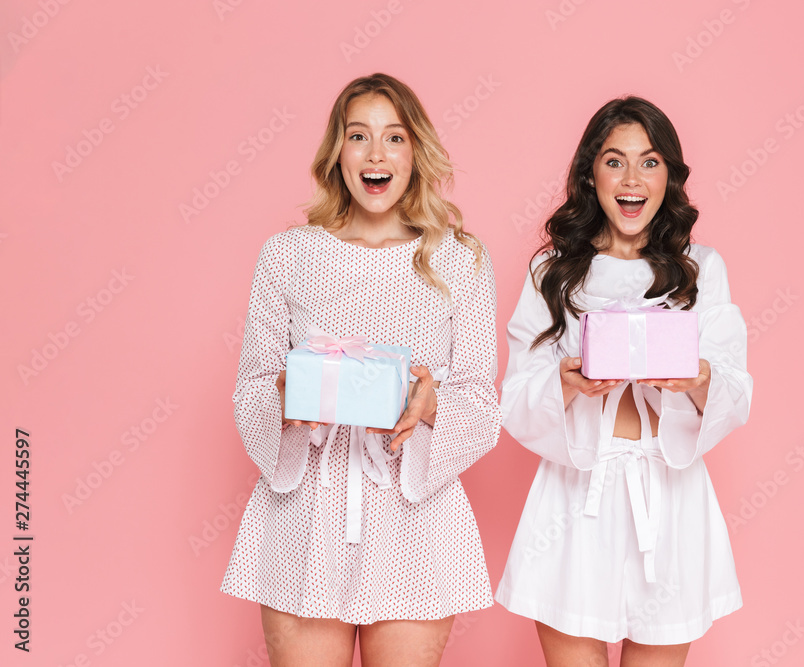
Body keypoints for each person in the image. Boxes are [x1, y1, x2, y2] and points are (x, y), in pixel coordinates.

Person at [221, 73, 502, 667]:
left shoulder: (461, 259)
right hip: (305, 514)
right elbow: (251, 386)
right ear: (337, 154)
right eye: (359, 136)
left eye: (394, 138)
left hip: (413, 515)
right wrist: (283, 400)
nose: (376, 154)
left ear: (415, 152)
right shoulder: (289, 254)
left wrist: (432, 405)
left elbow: (480, 398)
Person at [495, 96, 753, 667]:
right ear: (591, 174)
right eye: (614, 162)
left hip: (669, 496)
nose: (632, 178)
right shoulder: (554, 272)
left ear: (669, 176)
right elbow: (514, 396)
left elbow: (735, 387)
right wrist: (564, 383)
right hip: (574, 497)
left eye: (650, 161)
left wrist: (695, 377)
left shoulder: (700, 268)